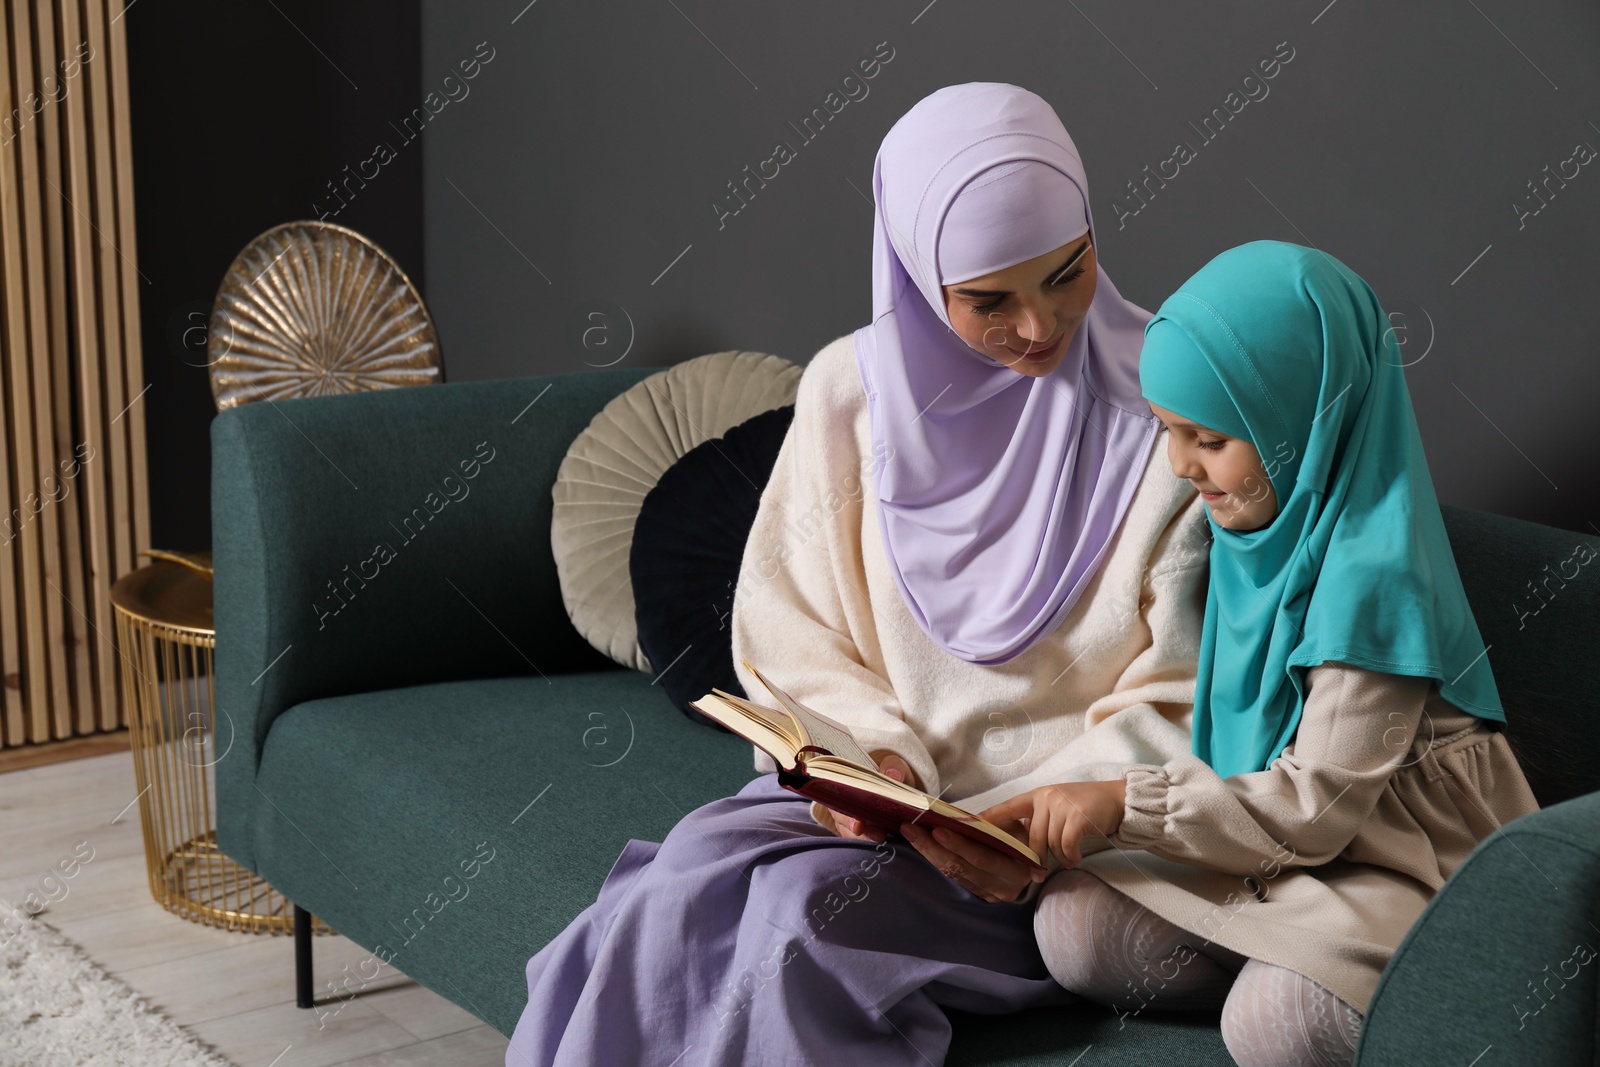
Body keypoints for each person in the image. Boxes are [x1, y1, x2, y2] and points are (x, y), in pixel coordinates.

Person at [505, 82, 1210, 1067]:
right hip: (877, 804)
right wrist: (871, 763)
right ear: (921, 281)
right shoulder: (852, 390)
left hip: (1049, 847)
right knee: (661, 901)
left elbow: (1185, 684)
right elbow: (786, 619)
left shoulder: (1175, 413)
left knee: (798, 924)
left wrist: (1038, 822)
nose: (1041, 326)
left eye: (1066, 272)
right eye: (988, 301)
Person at [983, 241, 1541, 1067]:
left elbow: (1315, 810)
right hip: (1279, 851)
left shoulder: (1373, 579)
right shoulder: (1253, 534)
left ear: (1301, 426)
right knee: (1075, 926)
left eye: (1208, 439)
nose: (1180, 465)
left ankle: (1345, 991)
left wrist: (1122, 806)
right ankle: (1287, 958)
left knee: (1274, 1021)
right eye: (1168, 431)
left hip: (1401, 864)